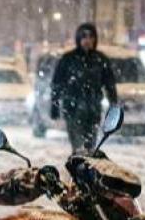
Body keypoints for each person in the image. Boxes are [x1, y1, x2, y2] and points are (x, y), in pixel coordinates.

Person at [50, 23, 117, 152]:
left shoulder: (100, 60)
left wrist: (113, 104)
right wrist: (55, 106)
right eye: (84, 36)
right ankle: (78, 165)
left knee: (90, 147)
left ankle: (85, 168)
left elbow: (109, 83)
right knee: (78, 146)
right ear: (78, 38)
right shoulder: (68, 59)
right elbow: (57, 84)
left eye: (91, 36)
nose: (87, 40)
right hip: (73, 109)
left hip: (93, 109)